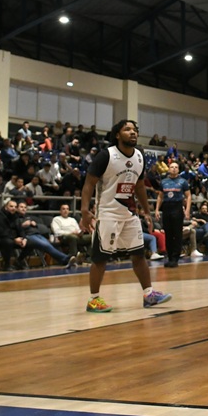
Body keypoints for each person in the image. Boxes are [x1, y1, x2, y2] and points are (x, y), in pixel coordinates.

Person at [79, 119, 172, 313]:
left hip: (129, 214)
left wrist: (146, 211)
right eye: (127, 129)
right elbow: (88, 184)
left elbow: (139, 186)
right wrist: (85, 211)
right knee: (100, 258)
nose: (133, 132)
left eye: (135, 129)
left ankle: (149, 294)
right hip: (107, 213)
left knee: (138, 254)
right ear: (117, 135)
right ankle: (93, 300)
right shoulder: (106, 156)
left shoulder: (140, 156)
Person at [155, 162, 191, 268]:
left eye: (176, 167)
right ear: (168, 169)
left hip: (177, 208)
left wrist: (187, 210)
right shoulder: (164, 182)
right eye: (172, 167)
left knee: (177, 234)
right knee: (168, 234)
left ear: (179, 169)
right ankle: (170, 257)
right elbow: (160, 197)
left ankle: (175, 258)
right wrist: (157, 209)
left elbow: (188, 196)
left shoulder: (183, 182)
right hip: (166, 208)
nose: (174, 169)